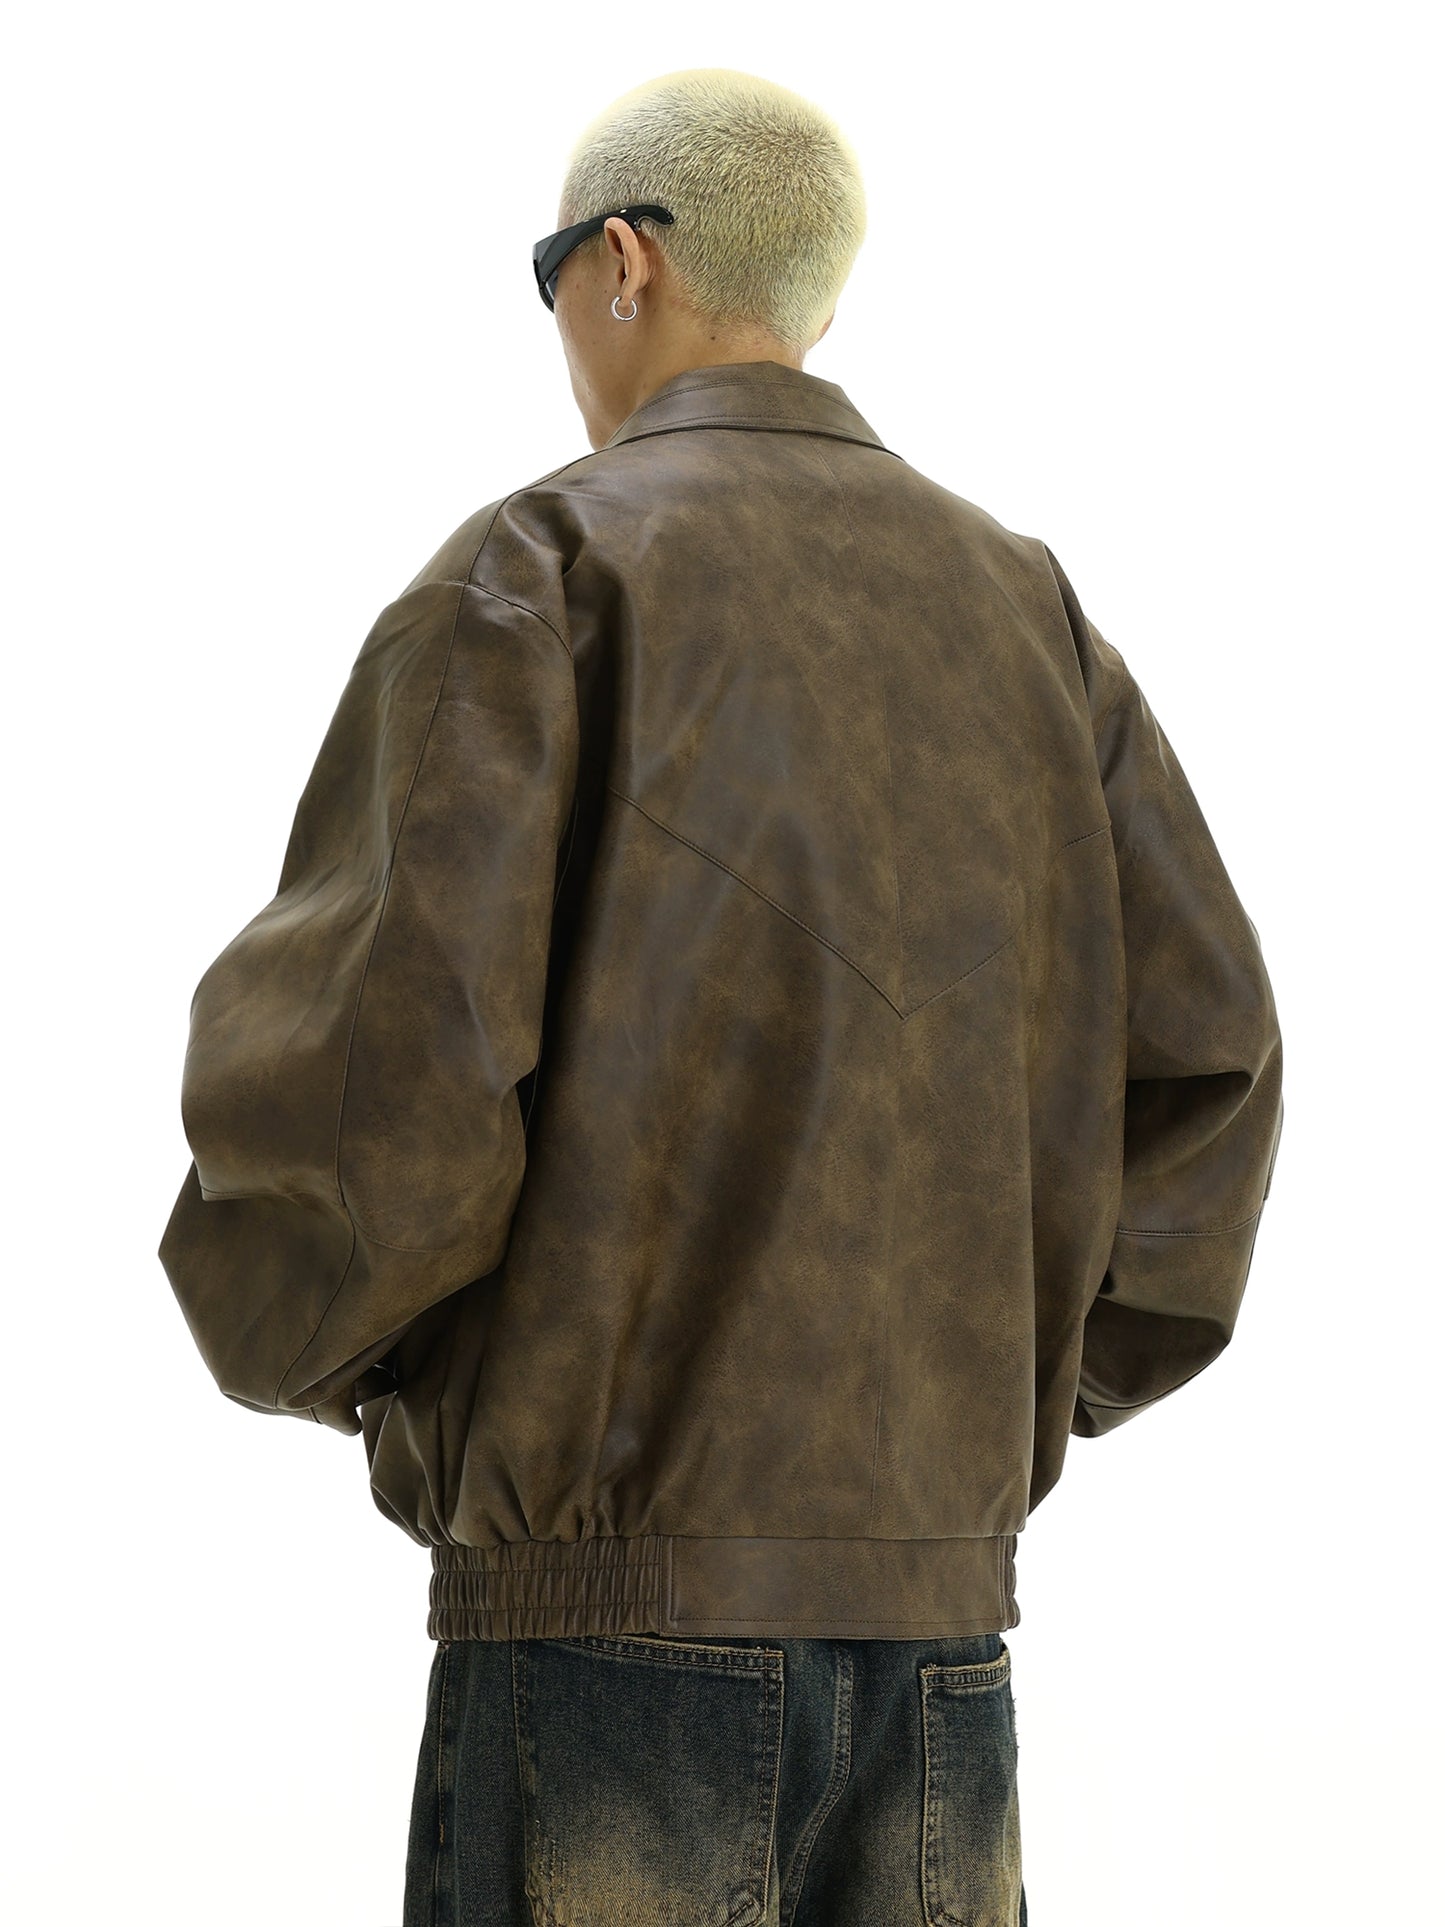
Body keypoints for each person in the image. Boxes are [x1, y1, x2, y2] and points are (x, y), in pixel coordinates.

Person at [157, 65, 1284, 1927]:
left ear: (623, 261)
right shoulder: (1026, 611)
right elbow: (1210, 1068)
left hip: (602, 1631)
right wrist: (982, 1410)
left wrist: (357, 1367)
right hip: (938, 1642)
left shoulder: (544, 570)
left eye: (548, 277)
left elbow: (378, 1097)